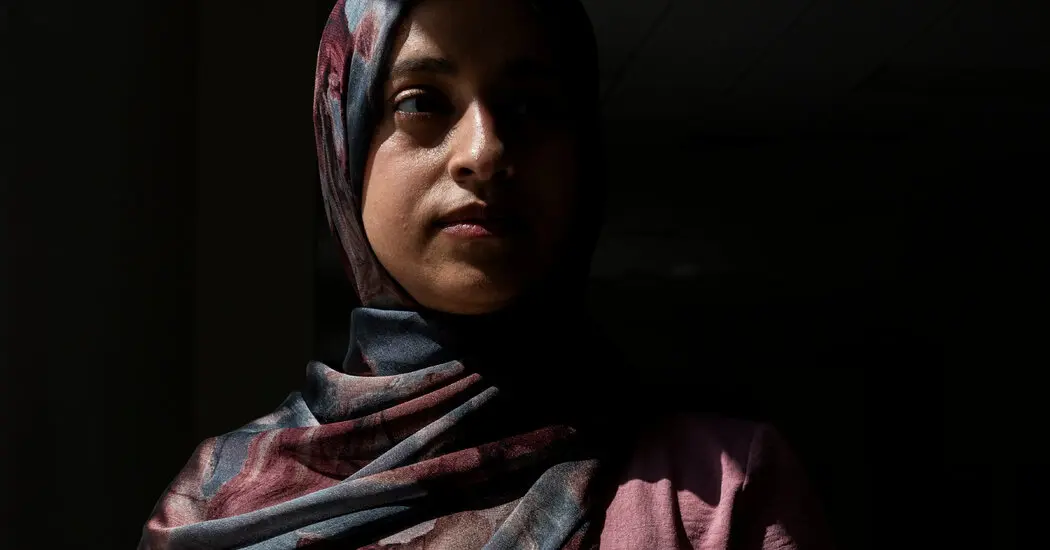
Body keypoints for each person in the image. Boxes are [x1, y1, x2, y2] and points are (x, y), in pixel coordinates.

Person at [138, 0, 834, 548]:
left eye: (531, 108)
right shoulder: (215, 502)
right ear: (343, 146)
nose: (484, 151)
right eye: (421, 102)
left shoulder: (720, 491)